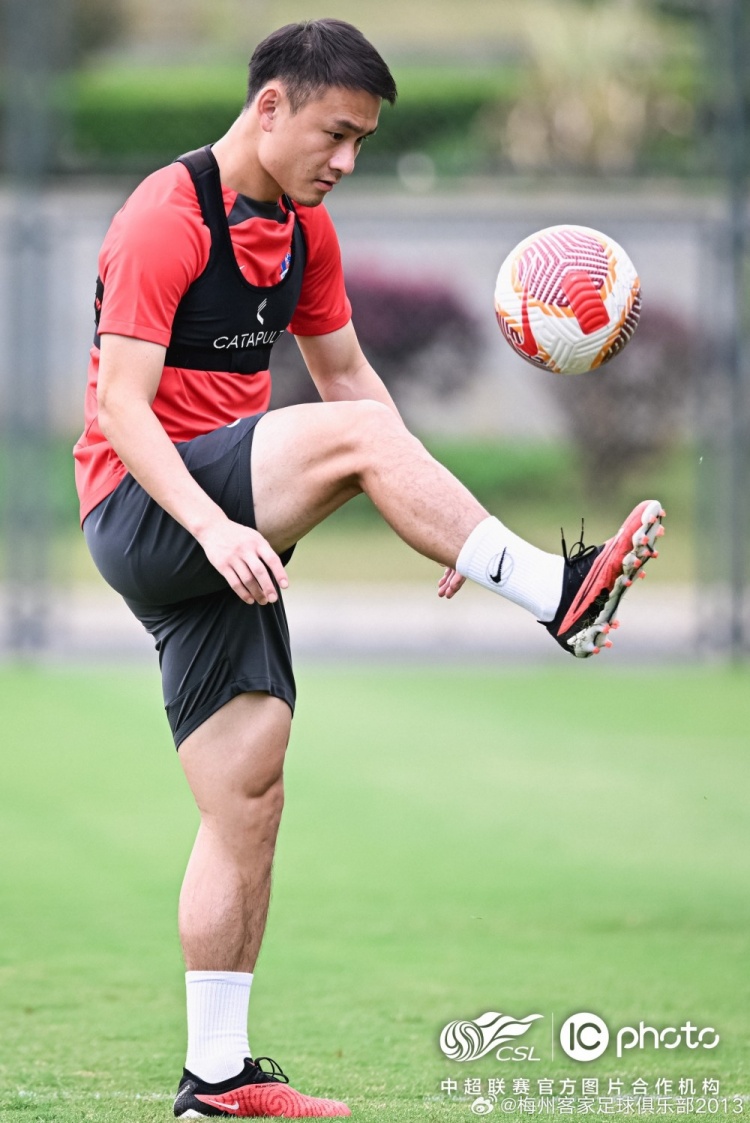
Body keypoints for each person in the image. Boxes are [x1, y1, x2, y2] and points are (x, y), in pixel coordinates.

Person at [73, 18, 665, 1119]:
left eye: (362, 143)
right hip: (150, 507)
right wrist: (212, 527)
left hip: (226, 527)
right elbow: (119, 406)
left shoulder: (304, 232)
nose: (346, 160)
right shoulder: (164, 217)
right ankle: (558, 595)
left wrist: (438, 514)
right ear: (270, 107)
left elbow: (350, 381)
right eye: (335, 134)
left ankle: (215, 1077)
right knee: (357, 442)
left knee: (248, 797)